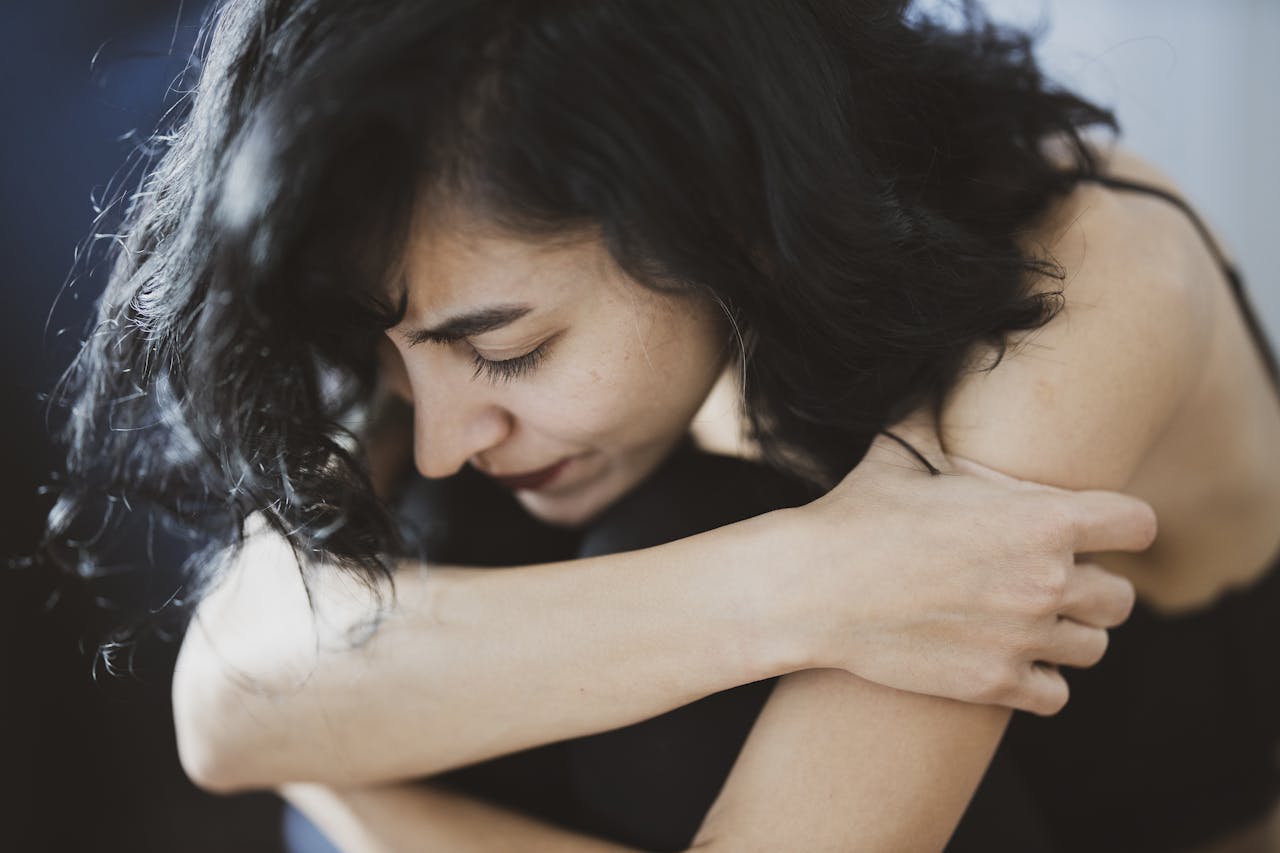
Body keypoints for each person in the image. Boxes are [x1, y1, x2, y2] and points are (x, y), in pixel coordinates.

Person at [45, 0, 1279, 850]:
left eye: (511, 350)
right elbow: (225, 691)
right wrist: (801, 582)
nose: (438, 430)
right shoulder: (441, 260)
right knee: (439, 533)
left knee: (558, 576)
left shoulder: (1089, 278)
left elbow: (272, 715)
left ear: (716, 197)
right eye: (390, 359)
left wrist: (355, 782)